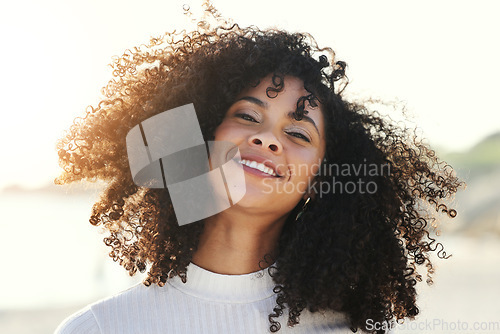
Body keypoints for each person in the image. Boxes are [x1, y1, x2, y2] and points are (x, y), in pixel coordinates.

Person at [54, 3, 463, 333]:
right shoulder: (98, 328)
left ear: (320, 181)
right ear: (201, 138)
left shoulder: (347, 330)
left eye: (299, 134)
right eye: (248, 116)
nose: (267, 139)